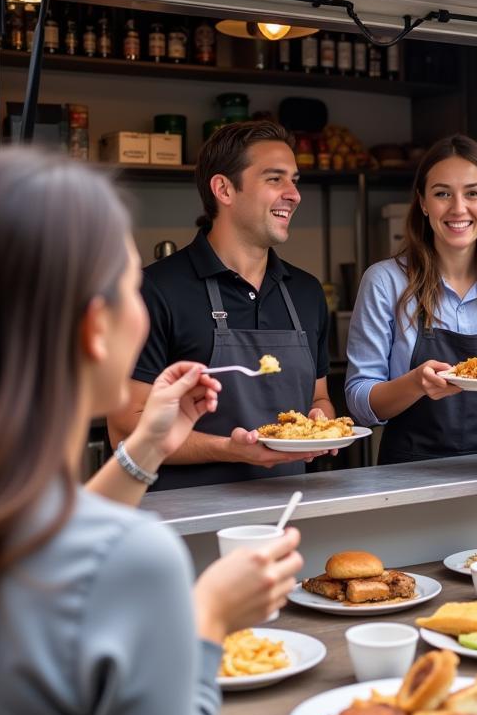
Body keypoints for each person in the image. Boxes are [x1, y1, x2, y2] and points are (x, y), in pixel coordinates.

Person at [0, 150, 303, 715]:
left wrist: (145, 450)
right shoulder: (135, 565)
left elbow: (45, 549)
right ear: (95, 327)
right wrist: (202, 622)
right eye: (127, 284)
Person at [109, 119, 334, 490]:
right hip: (186, 519)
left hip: (289, 513)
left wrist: (318, 424)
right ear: (224, 189)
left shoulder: (306, 292)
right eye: (275, 179)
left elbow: (320, 397)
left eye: (295, 180)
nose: (293, 194)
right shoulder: (155, 290)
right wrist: (230, 449)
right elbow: (126, 426)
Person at [345, 135, 477, 463]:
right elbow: (360, 402)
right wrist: (416, 383)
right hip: (411, 474)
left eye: (472, 193)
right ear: (423, 203)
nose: (458, 208)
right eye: (442, 194)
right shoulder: (385, 281)